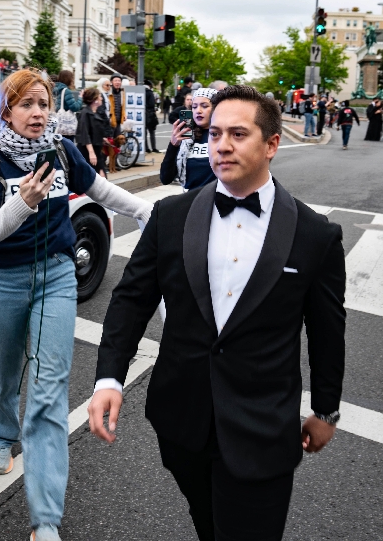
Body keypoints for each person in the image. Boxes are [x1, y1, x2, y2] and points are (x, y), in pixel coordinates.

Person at [88, 85, 346, 541]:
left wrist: (326, 412)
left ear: (271, 144)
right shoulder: (170, 216)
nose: (222, 145)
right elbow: (131, 299)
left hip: (262, 427)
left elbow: (327, 331)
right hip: (182, 420)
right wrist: (109, 378)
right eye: (215, 134)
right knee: (208, 524)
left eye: (239, 134)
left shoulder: (315, 235)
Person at [0, 69, 152, 541]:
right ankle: (2, 433)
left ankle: (46, 521)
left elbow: (101, 191)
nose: (39, 113)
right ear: (6, 110)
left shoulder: (60, 152)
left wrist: (150, 212)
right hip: (3, 279)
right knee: (4, 371)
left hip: (58, 277)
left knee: (49, 389)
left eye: (44, 103)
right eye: (27, 104)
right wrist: (21, 203)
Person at [160, 87, 218, 190]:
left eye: (204, 106)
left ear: (216, 108)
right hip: (190, 201)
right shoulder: (187, 137)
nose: (198, 111)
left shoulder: (224, 137)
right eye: (194, 107)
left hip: (217, 201)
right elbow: (165, 178)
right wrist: (173, 145)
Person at [75, 86, 109, 175]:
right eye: (100, 96)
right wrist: (91, 153)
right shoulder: (85, 113)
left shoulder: (94, 113)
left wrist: (101, 139)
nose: (101, 98)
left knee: (101, 177)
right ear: (95, 99)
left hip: (96, 149)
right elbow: (85, 133)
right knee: (95, 177)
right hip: (88, 151)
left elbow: (94, 131)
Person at [144, 83, 160, 152]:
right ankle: (154, 147)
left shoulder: (140, 92)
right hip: (150, 114)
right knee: (152, 132)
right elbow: (152, 103)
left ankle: (146, 148)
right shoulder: (150, 93)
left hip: (143, 114)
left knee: (144, 132)